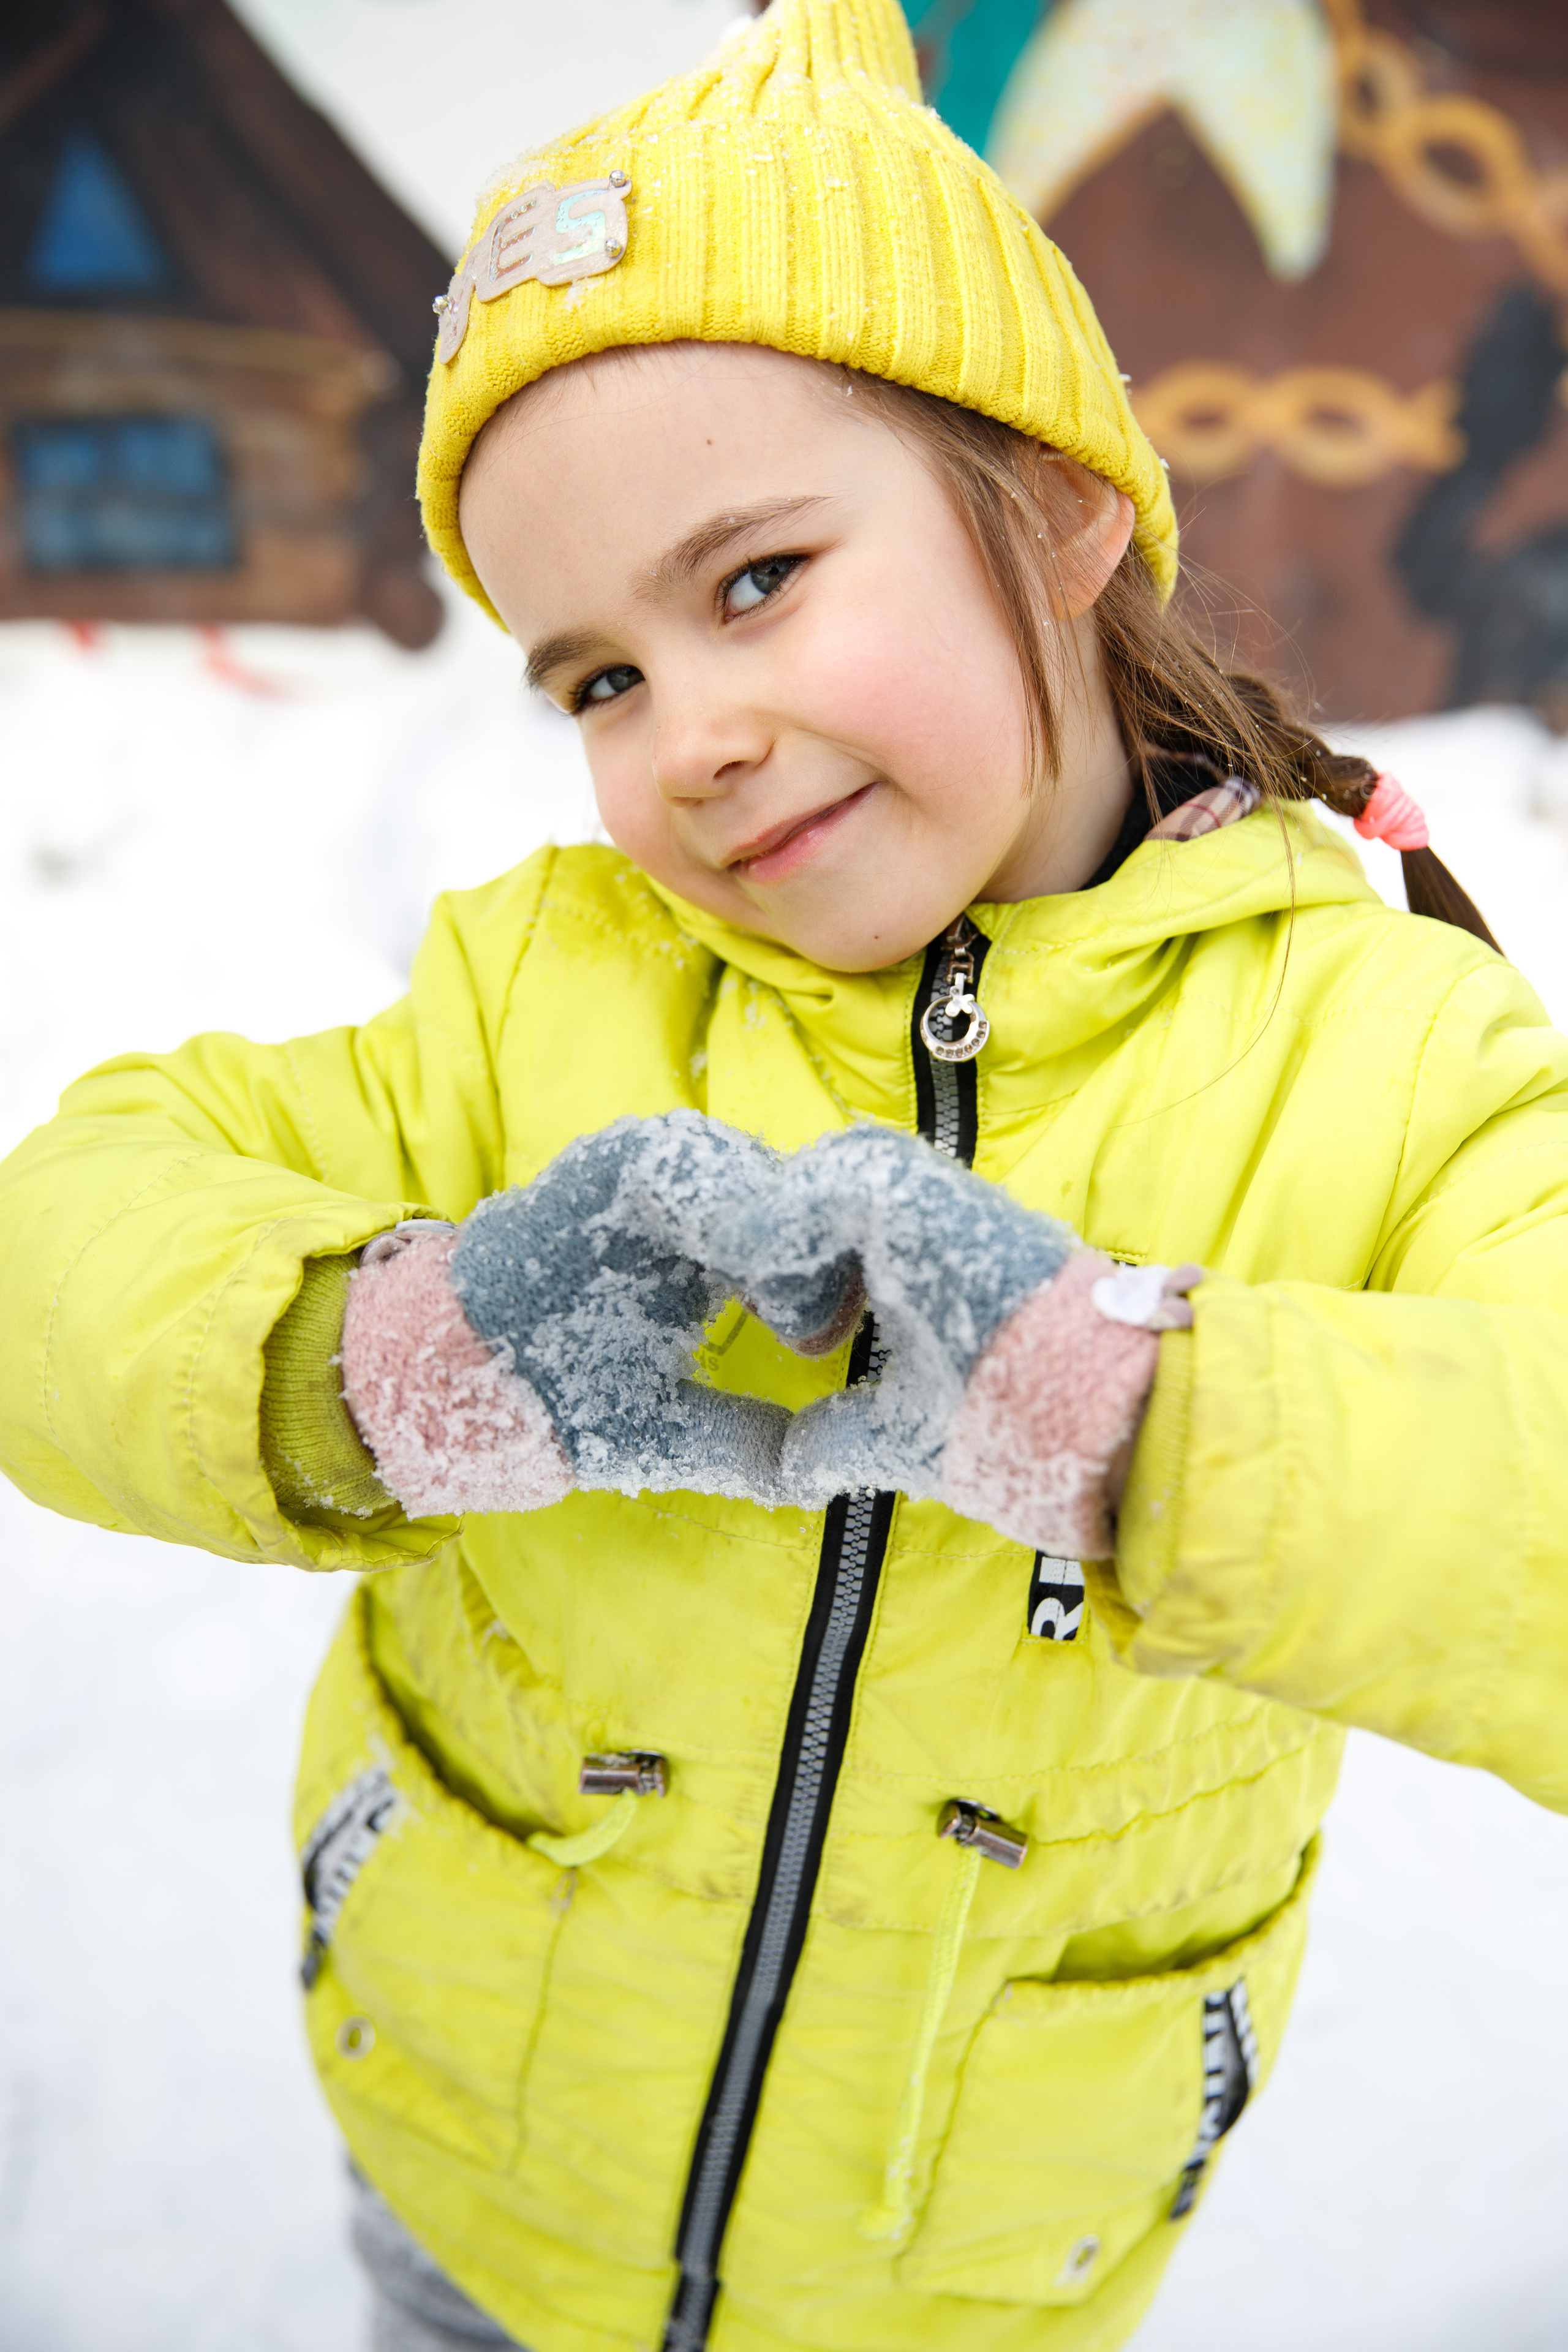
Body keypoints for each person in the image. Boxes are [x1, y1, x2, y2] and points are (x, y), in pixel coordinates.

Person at [1, 3, 1564, 2349]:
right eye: (595, 678)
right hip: (475, 2177)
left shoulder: (1386, 1058)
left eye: (751, 583)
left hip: (972, 2259)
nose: (690, 737)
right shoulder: (542, 1000)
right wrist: (388, 1357)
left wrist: (1134, 1424)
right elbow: (72, 1229)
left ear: (1050, 508)